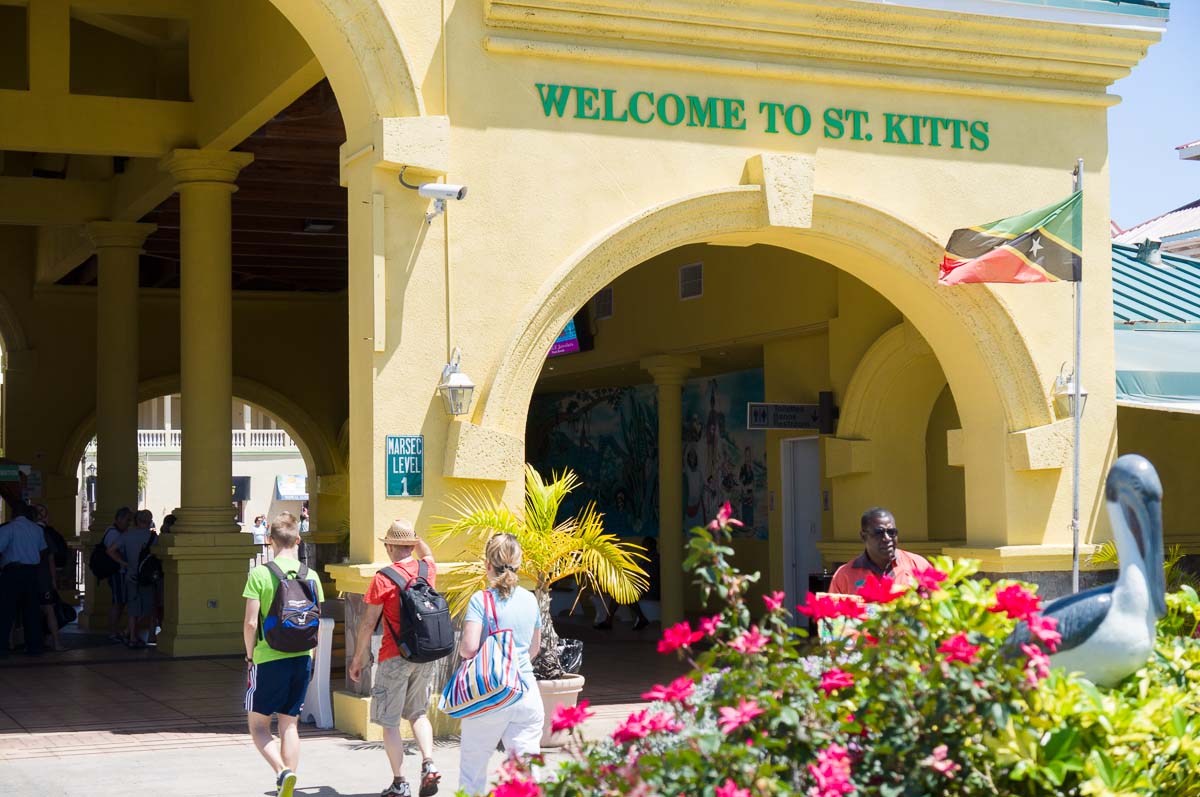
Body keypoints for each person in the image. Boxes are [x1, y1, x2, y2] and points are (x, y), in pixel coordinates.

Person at [348, 520, 443, 797]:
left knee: (389, 722)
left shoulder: (384, 578)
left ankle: (400, 783)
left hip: (394, 656)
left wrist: (358, 658)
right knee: (418, 713)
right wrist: (415, 538)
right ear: (411, 545)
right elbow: (428, 553)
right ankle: (428, 763)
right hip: (424, 655)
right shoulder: (427, 570)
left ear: (389, 546)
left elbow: (368, 623)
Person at [242, 511, 325, 797]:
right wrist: (312, 656)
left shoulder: (260, 574)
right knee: (289, 724)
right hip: (302, 657)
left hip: (268, 658)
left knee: (258, 725)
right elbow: (316, 622)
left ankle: (282, 771)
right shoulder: (311, 575)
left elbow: (251, 623)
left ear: (270, 540)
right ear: (298, 539)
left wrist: (250, 656)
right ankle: (287, 787)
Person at [457, 533, 543, 796]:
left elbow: (469, 647)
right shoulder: (530, 599)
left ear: (487, 564)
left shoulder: (480, 600)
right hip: (526, 691)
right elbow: (534, 647)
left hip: (490, 695)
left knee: (472, 772)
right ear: (519, 564)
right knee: (526, 773)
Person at [829, 508, 933, 595]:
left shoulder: (918, 565)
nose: (887, 538)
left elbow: (937, 604)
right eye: (879, 533)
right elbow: (834, 611)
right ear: (864, 536)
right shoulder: (845, 575)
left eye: (891, 532)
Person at [0, 504, 49, 656]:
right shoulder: (37, 529)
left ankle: (2, 648)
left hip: (12, 572)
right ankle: (34, 647)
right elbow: (43, 551)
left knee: (6, 611)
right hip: (32, 573)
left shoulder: (8, 528)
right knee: (32, 611)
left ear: (13, 513)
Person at [107, 509, 156, 648]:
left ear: (136, 521)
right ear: (149, 521)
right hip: (148, 577)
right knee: (148, 607)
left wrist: (124, 563)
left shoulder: (126, 536)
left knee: (132, 609)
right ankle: (128, 632)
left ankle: (132, 637)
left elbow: (110, 550)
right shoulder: (154, 537)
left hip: (131, 575)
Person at [33, 504, 65, 651]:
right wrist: (53, 580)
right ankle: (55, 642)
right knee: (48, 609)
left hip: (36, 576)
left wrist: (53, 579)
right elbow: (51, 558)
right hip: (43, 577)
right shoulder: (45, 532)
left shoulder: (33, 531)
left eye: (41, 511)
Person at [101, 507, 133, 642]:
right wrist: (124, 563)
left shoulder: (116, 532)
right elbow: (112, 551)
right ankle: (113, 631)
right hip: (117, 573)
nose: (129, 523)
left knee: (120, 602)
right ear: (119, 519)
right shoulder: (113, 533)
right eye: (127, 520)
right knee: (118, 602)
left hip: (119, 572)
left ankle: (114, 630)